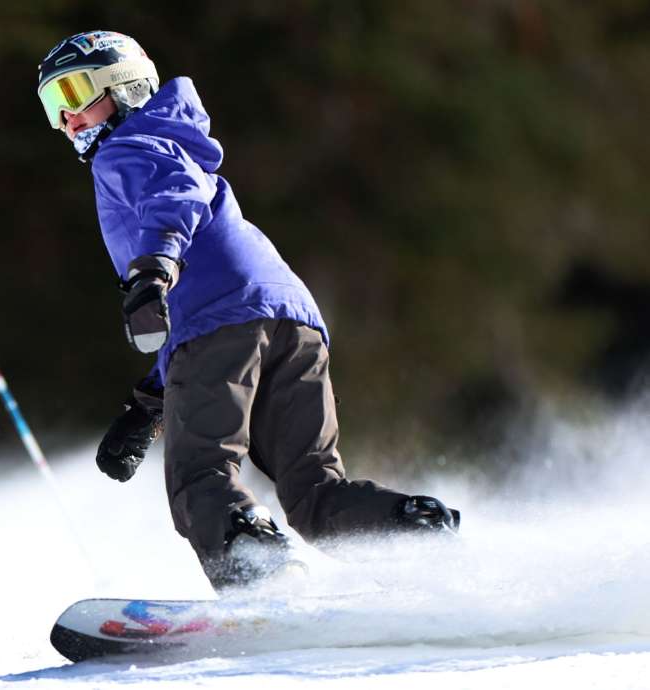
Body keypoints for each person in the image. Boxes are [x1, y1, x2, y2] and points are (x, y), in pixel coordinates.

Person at [36, 30, 460, 592]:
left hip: (222, 321)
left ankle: (262, 578)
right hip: (291, 320)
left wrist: (152, 267)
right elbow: (200, 308)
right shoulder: (171, 140)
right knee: (314, 492)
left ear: (125, 85)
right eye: (51, 106)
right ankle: (417, 538)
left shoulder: (126, 149)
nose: (67, 118)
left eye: (74, 92)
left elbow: (175, 199)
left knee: (200, 479)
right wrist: (148, 406)